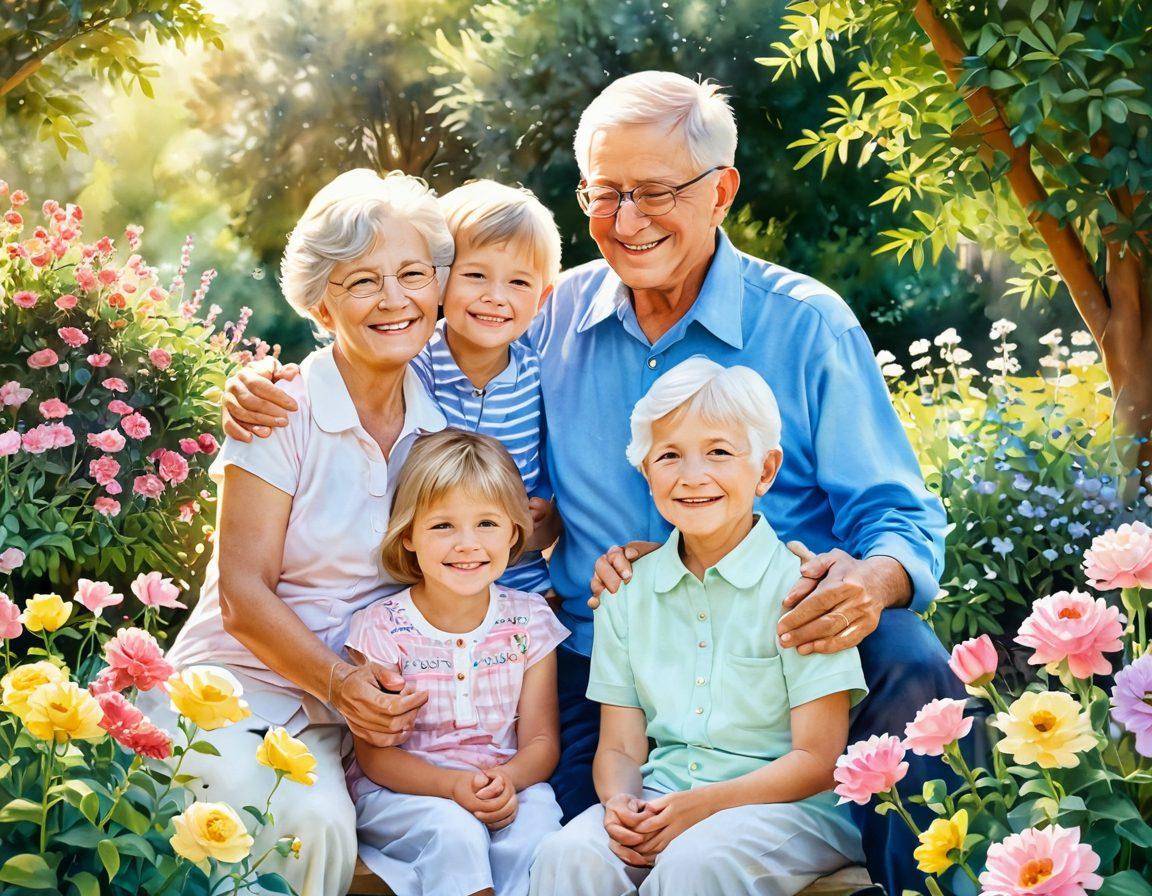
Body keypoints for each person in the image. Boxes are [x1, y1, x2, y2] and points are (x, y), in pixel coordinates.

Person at [220, 73, 962, 894]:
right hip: (597, 655)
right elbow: (397, 328)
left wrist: (874, 578)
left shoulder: (805, 323)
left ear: (721, 191)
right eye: (607, 194)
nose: (629, 220)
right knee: (566, 851)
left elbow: (896, 512)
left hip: (777, 643)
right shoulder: (548, 314)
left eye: (656, 192)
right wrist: (268, 381)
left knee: (909, 659)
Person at [151, 169, 456, 895]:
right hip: (228, 696)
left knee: (347, 825)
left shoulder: (439, 427)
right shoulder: (278, 412)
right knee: (303, 824)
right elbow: (241, 596)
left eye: (413, 274)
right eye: (362, 282)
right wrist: (341, 683)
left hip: (344, 723)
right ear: (322, 304)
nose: (394, 299)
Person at [530, 358, 867, 895]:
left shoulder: (803, 591)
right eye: (669, 456)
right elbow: (619, 748)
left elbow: (818, 759)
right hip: (665, 794)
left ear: (765, 470)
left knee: (693, 866)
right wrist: (619, 803)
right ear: (646, 472)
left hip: (791, 808)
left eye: (719, 452)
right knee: (567, 854)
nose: (692, 476)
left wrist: (699, 806)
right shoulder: (625, 591)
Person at [346, 429, 569, 896]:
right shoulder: (382, 627)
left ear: (513, 532)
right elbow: (375, 756)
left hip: (508, 783)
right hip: (405, 791)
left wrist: (506, 780)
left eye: (487, 524)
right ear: (408, 535)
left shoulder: (529, 620)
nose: (467, 544)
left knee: (542, 834)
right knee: (456, 833)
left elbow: (543, 740)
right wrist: (452, 788)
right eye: (443, 526)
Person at [410, 180, 564, 595]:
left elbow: (548, 471)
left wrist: (548, 516)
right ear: (440, 280)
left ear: (542, 298)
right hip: (426, 587)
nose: (496, 297)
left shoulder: (538, 378)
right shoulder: (414, 366)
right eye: (476, 275)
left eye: (518, 283)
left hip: (520, 584)